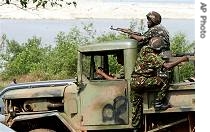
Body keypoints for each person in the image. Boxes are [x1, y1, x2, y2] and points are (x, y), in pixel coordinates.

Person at [130, 37, 189, 126]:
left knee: (136, 107)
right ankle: (158, 102)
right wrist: (182, 59)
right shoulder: (152, 56)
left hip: (134, 82)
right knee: (164, 78)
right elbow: (167, 66)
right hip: (142, 81)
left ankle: (135, 126)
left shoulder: (144, 50)